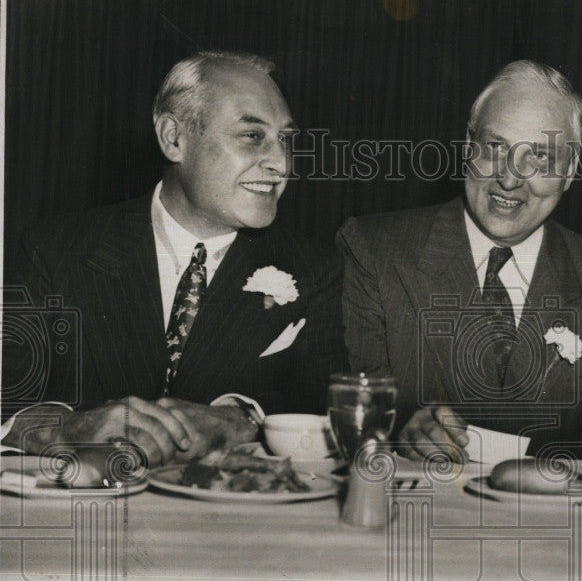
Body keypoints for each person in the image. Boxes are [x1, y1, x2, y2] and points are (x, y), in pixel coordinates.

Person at [2, 51, 346, 475]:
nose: (281, 164)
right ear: (173, 138)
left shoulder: (317, 269)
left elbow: (328, 406)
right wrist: (64, 430)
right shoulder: (54, 250)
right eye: (253, 136)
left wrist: (241, 417)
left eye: (286, 140)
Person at [336, 60, 582, 462]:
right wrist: (404, 433)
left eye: (542, 158)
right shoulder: (374, 251)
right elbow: (355, 417)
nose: (511, 178)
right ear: (468, 146)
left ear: (570, 172)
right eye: (496, 147)